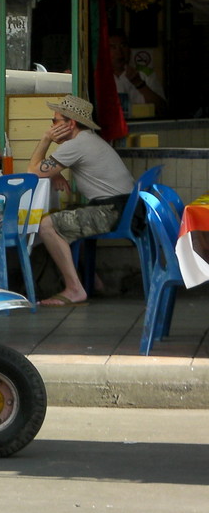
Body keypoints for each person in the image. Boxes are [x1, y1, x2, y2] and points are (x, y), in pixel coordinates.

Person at [27, 95, 135, 307]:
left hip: (112, 210)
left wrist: (45, 140)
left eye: (55, 121)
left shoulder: (76, 145)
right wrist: (54, 173)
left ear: (71, 123)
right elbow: (46, 170)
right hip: (122, 207)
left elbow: (33, 171)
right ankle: (93, 281)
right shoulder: (87, 140)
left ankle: (75, 288)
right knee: (71, 214)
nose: (52, 126)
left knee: (47, 226)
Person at [108, 29, 167, 117]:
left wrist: (139, 84)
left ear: (129, 50)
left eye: (123, 46)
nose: (119, 52)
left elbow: (163, 110)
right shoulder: (98, 77)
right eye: (113, 47)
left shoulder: (145, 73)